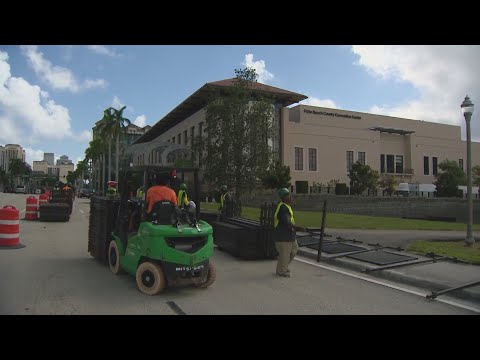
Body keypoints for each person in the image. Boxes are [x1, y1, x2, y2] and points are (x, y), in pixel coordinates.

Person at [273, 188, 306, 278]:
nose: (290, 197)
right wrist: (299, 228)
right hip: (283, 237)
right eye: (288, 195)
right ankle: (281, 271)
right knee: (285, 254)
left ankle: (282, 267)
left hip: (290, 236)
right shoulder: (283, 208)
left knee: (293, 250)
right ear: (283, 198)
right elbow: (287, 223)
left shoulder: (287, 206)